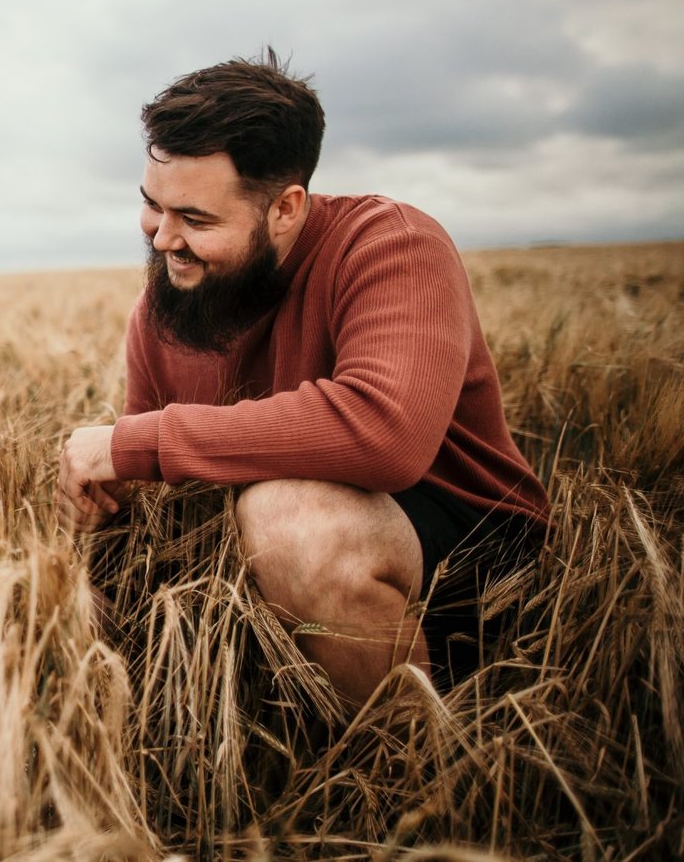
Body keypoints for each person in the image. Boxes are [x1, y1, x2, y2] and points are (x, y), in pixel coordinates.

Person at [57, 51, 551, 704]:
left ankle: (412, 779)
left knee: (291, 520)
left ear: (286, 208)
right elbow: (160, 499)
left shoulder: (392, 246)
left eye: (196, 220)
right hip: (295, 595)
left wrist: (133, 442)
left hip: (470, 565)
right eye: (153, 206)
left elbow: (385, 433)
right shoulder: (160, 310)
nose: (163, 238)